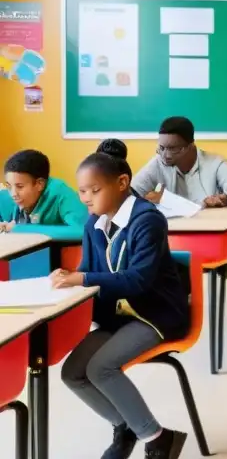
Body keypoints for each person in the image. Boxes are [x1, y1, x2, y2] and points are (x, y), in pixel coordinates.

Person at [54, 142, 190, 459]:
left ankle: (157, 439)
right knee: (72, 372)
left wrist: (84, 279)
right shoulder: (93, 223)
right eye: (82, 191)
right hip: (117, 316)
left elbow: (139, 279)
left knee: (102, 368)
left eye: (94, 190)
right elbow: (90, 268)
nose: (86, 198)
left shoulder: (148, 220)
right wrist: (69, 277)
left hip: (154, 314)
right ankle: (127, 425)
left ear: (121, 183)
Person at [132, 116, 227, 208]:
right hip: (173, 233)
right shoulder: (158, 163)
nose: (165, 155)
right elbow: (130, 193)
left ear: (191, 146)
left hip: (211, 230)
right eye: (162, 148)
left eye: (173, 149)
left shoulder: (215, 163)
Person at [0, 149, 88, 232]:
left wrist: (21, 229)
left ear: (39, 184)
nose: (13, 194)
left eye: (20, 186)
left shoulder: (61, 193)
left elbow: (82, 230)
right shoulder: (5, 198)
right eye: (9, 186)